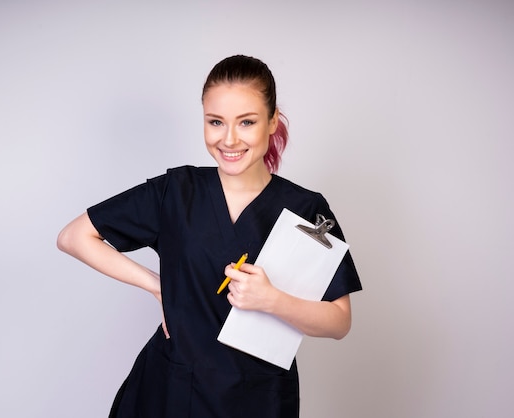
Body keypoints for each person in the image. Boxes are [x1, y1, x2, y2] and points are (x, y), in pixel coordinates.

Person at [57, 54, 362, 418]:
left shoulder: (307, 209)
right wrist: (158, 286)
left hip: (259, 400)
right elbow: (74, 237)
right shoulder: (175, 192)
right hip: (170, 392)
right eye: (216, 122)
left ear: (271, 122)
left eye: (246, 122)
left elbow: (339, 321)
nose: (229, 139)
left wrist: (271, 299)